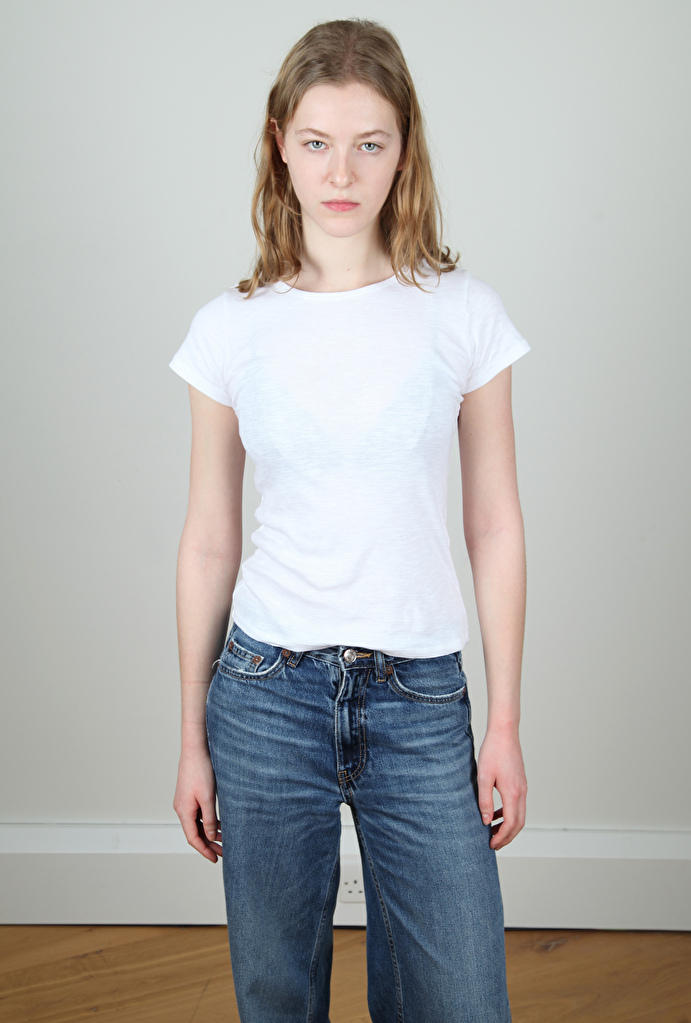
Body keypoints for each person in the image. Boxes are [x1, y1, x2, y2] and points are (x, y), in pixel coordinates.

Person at [170, 17, 529, 1023]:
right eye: (318, 142)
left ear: (403, 149)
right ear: (280, 144)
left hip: (418, 698)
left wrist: (502, 724)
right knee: (278, 995)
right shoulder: (229, 330)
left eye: (370, 143)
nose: (342, 171)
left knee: (460, 1001)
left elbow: (494, 525)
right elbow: (209, 539)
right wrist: (191, 736)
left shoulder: (462, 313)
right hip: (264, 694)